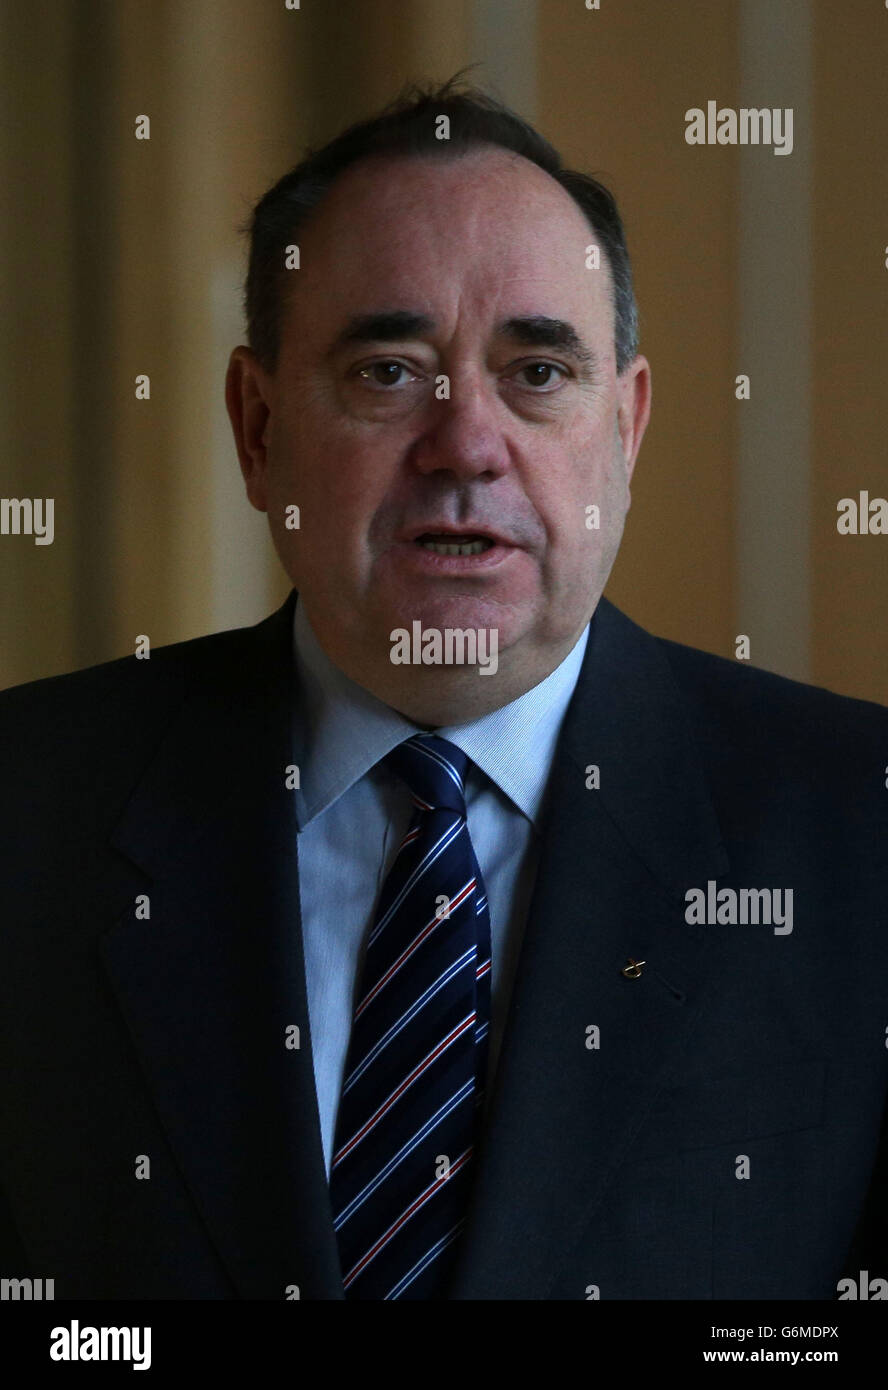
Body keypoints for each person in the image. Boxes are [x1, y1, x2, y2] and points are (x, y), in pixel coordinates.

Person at [1, 77, 886, 1302]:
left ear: (623, 430)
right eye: (385, 369)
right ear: (257, 430)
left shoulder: (859, 832)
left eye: (536, 371)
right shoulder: (26, 809)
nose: (467, 442)